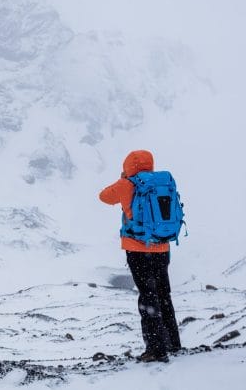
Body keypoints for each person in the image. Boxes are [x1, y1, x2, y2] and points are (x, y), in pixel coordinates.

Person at [98, 149, 181, 363]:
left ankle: (155, 349)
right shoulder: (163, 181)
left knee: (148, 297)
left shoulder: (128, 184)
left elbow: (104, 196)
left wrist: (123, 178)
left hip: (138, 249)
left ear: (128, 165)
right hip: (162, 248)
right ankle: (172, 343)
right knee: (164, 294)